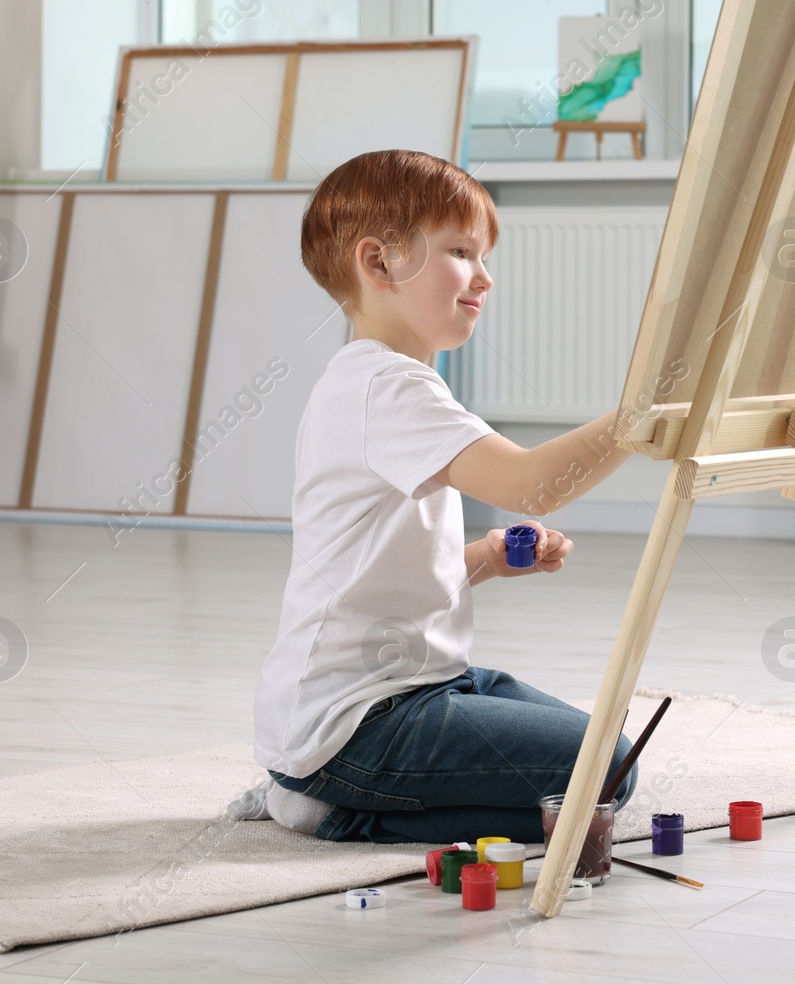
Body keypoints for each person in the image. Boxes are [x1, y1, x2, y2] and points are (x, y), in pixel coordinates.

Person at [246, 149, 637, 844]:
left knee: (605, 766)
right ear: (380, 263)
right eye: (461, 251)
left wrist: (487, 554)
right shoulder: (386, 387)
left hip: (416, 683)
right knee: (603, 769)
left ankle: (324, 789)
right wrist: (641, 416)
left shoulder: (376, 383)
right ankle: (335, 807)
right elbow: (533, 483)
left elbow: (380, 573)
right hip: (356, 722)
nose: (485, 276)